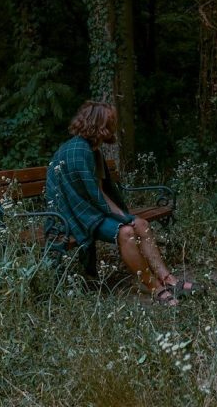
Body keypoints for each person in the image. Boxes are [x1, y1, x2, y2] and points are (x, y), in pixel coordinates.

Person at [45, 100, 200, 306]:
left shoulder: (93, 151)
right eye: (111, 121)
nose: (114, 125)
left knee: (141, 224)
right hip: (73, 216)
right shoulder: (78, 150)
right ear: (99, 123)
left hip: (92, 210)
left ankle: (169, 279)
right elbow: (88, 196)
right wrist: (124, 219)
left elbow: (99, 192)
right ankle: (156, 288)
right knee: (126, 232)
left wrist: (126, 216)